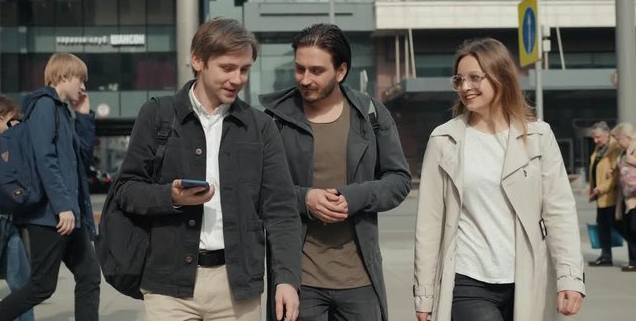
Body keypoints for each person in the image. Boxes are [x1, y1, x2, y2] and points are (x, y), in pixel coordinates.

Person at [113, 17, 302, 321]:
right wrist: (171, 197)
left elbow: (281, 210)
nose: (237, 79)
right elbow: (126, 191)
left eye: (244, 70)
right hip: (168, 287)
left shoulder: (261, 127)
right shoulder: (157, 115)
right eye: (227, 68)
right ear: (198, 60)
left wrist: (287, 279)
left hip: (238, 288)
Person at [413, 38, 585, 321]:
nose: (465, 87)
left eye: (474, 78)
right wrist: (425, 294)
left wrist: (570, 277)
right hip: (468, 278)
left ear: (501, 77)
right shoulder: (444, 140)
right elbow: (429, 225)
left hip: (527, 277)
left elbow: (559, 211)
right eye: (459, 79)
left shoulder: (539, 136)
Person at [259, 23, 411, 321]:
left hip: (360, 281)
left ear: (340, 71)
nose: (305, 79)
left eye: (316, 71)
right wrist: (305, 199)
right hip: (300, 280)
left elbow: (399, 180)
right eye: (299, 69)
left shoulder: (370, 114)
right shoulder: (275, 120)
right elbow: (258, 189)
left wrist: (354, 197)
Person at [0, 54, 100, 321]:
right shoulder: (44, 105)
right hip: (50, 215)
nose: (83, 86)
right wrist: (62, 206)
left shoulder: (63, 112)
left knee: (89, 276)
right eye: (81, 79)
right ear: (64, 76)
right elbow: (45, 159)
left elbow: (82, 162)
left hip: (68, 214)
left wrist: (84, 117)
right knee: (41, 286)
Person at [0, 96, 34, 321]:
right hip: (0, 221)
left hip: (7, 222)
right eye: (14, 118)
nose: (17, 123)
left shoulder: (8, 144)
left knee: (24, 287)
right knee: (23, 287)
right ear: (1, 117)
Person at [588, 121, 621, 266]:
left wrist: (601, 188)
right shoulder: (599, 150)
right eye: (594, 138)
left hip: (611, 196)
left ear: (607, 135)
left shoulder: (614, 148)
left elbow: (615, 174)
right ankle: (606, 256)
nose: (595, 140)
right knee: (602, 227)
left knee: (620, 227)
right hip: (600, 196)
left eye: (598, 137)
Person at [611, 123, 636, 271]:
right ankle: (633, 260)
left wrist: (631, 160)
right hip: (626, 196)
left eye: (619, 139)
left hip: (634, 197)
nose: (618, 143)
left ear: (625, 137)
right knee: (626, 227)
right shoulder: (622, 153)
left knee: (633, 228)